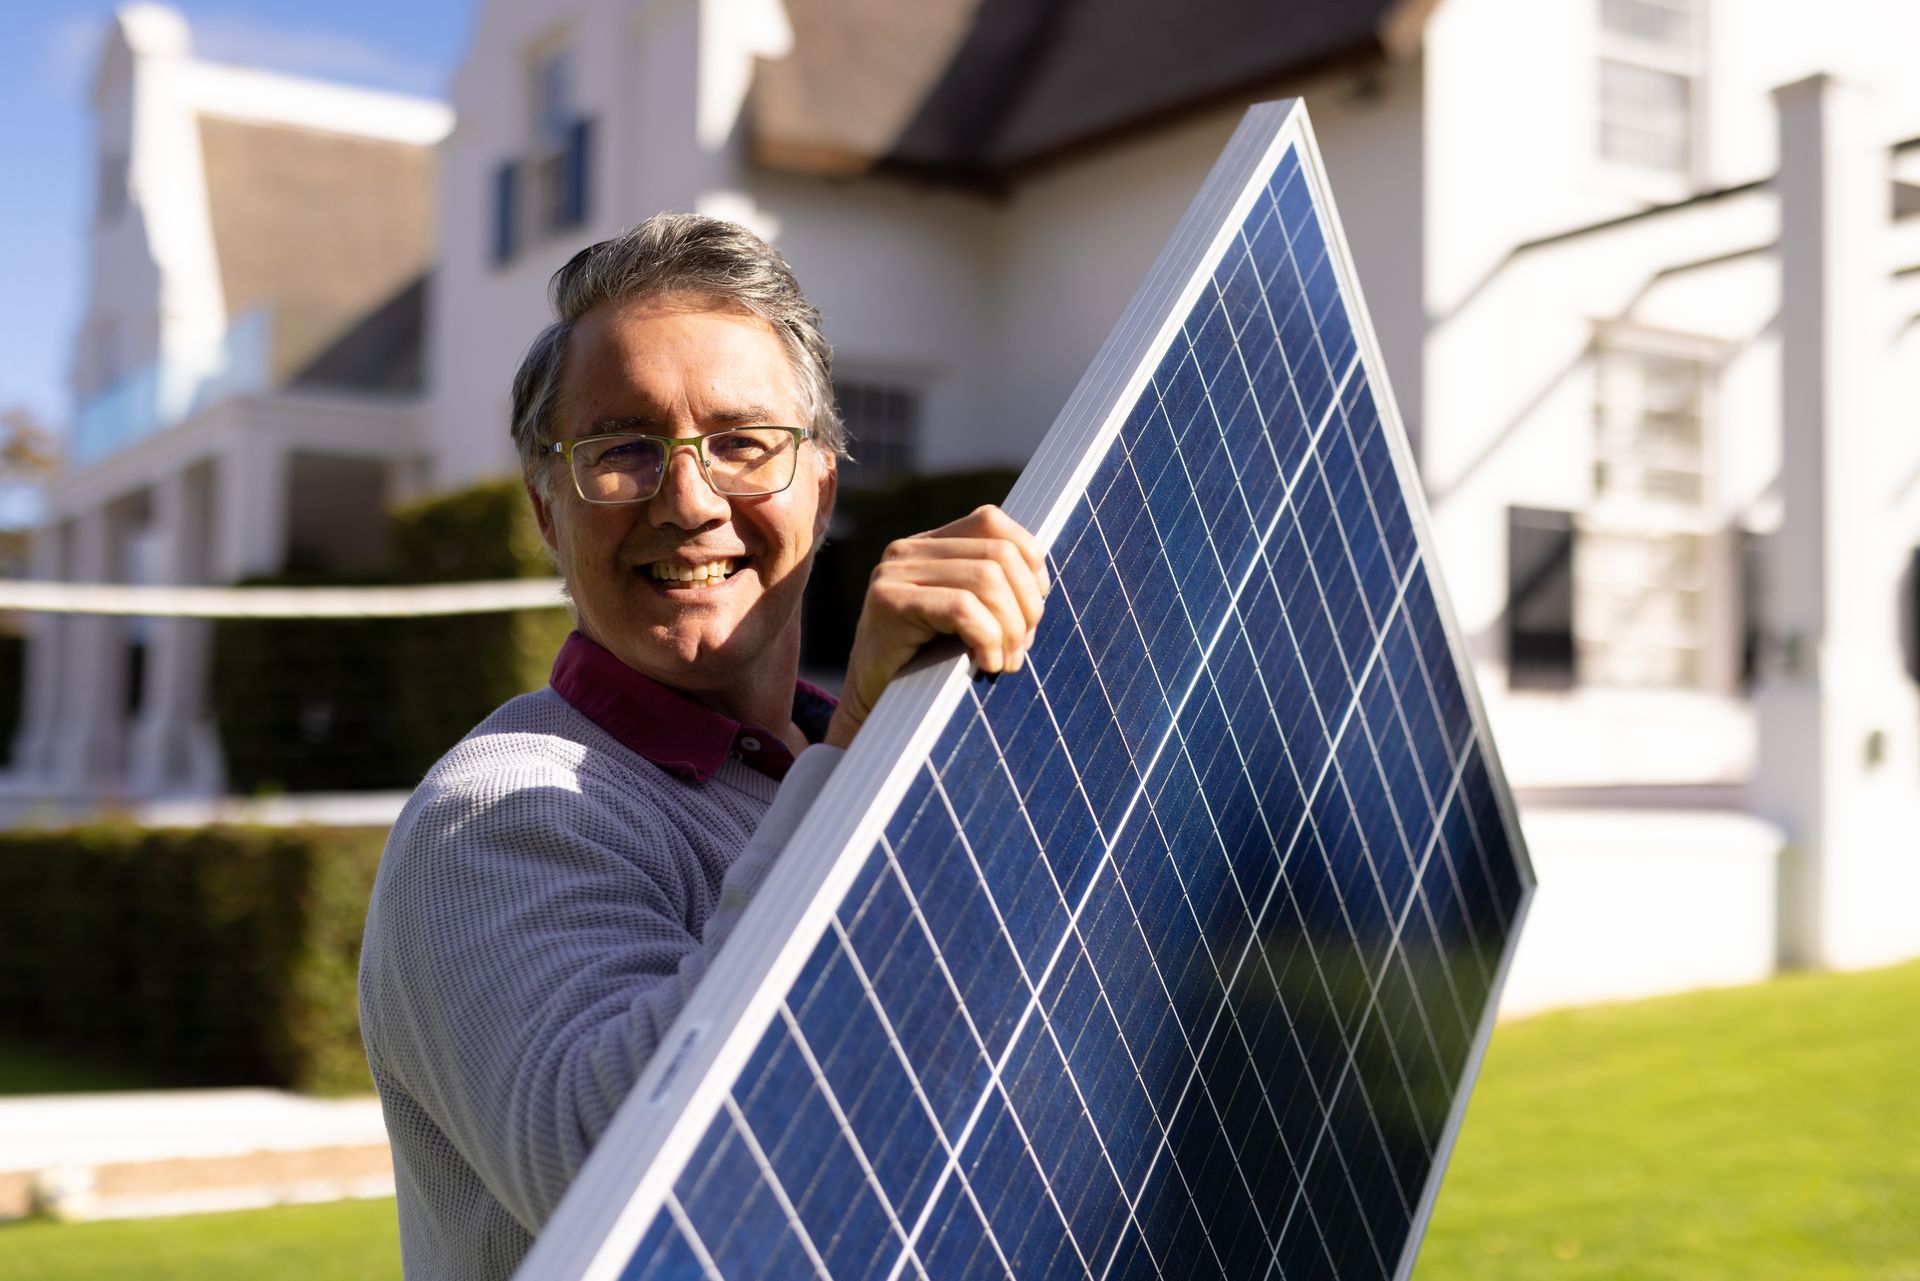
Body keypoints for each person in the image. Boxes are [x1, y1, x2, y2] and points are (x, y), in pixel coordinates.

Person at [357, 213, 1048, 1281]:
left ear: (821, 486)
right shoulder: (494, 817)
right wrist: (860, 746)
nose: (688, 500)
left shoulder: (901, 756)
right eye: (623, 448)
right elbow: (623, 1169)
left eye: (742, 443)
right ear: (547, 508)